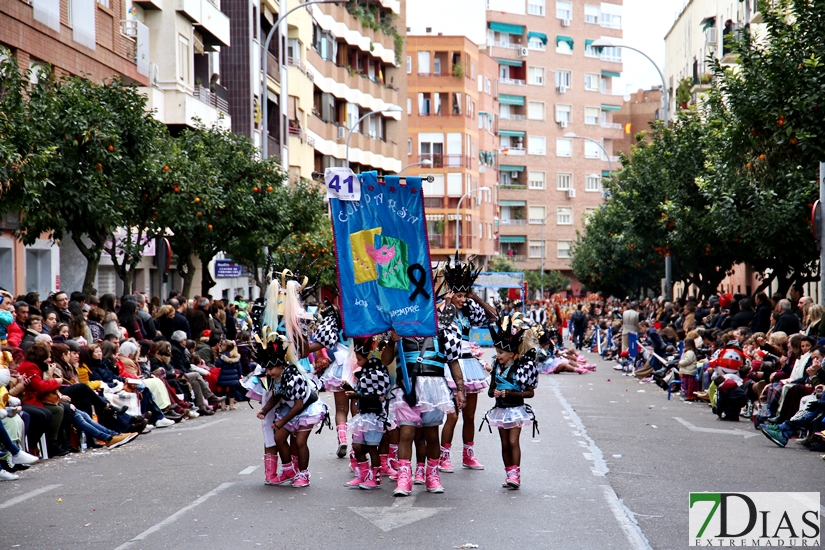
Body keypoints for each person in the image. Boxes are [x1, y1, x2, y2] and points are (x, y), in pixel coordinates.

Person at [383, 305, 465, 497]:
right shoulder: (400, 330)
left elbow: (453, 362)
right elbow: (385, 360)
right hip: (407, 389)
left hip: (434, 389)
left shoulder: (442, 332)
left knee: (431, 434)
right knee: (406, 432)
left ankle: (432, 475)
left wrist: (460, 390)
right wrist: (391, 341)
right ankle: (404, 478)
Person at [438, 255, 498, 473]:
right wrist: (446, 303)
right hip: (450, 365)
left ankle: (468, 454)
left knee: (469, 416)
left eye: (465, 295)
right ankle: (444, 456)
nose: (462, 300)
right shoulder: (442, 310)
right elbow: (439, 329)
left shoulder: (469, 310)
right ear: (451, 294)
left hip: (469, 365)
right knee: (452, 414)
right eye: (460, 296)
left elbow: (495, 316)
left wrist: (475, 297)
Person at [257, 335, 328, 488]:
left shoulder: (294, 377)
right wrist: (264, 410)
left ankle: (303, 473)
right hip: (291, 409)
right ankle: (288, 469)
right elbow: (277, 396)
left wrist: (282, 421)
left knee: (301, 441)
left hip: (306, 409)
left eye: (271, 368)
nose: (268, 372)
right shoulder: (276, 377)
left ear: (281, 364)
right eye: (267, 369)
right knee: (279, 438)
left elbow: (298, 405)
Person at [482, 315, 539, 489]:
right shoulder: (496, 369)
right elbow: (491, 392)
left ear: (512, 354)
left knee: (513, 441)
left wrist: (508, 393)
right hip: (500, 410)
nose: (497, 355)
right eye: (497, 352)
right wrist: (496, 393)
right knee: (504, 443)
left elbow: (529, 393)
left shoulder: (520, 370)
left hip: (515, 410)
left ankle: (516, 475)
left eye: (501, 352)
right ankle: (509, 472)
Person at [345, 353, 392, 490]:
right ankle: (363, 475)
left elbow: (375, 398)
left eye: (359, 359)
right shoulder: (364, 375)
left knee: (372, 448)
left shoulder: (376, 375)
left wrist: (356, 395)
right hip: (363, 416)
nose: (358, 363)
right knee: (357, 446)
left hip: (373, 417)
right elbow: (364, 393)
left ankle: (376, 478)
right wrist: (350, 390)